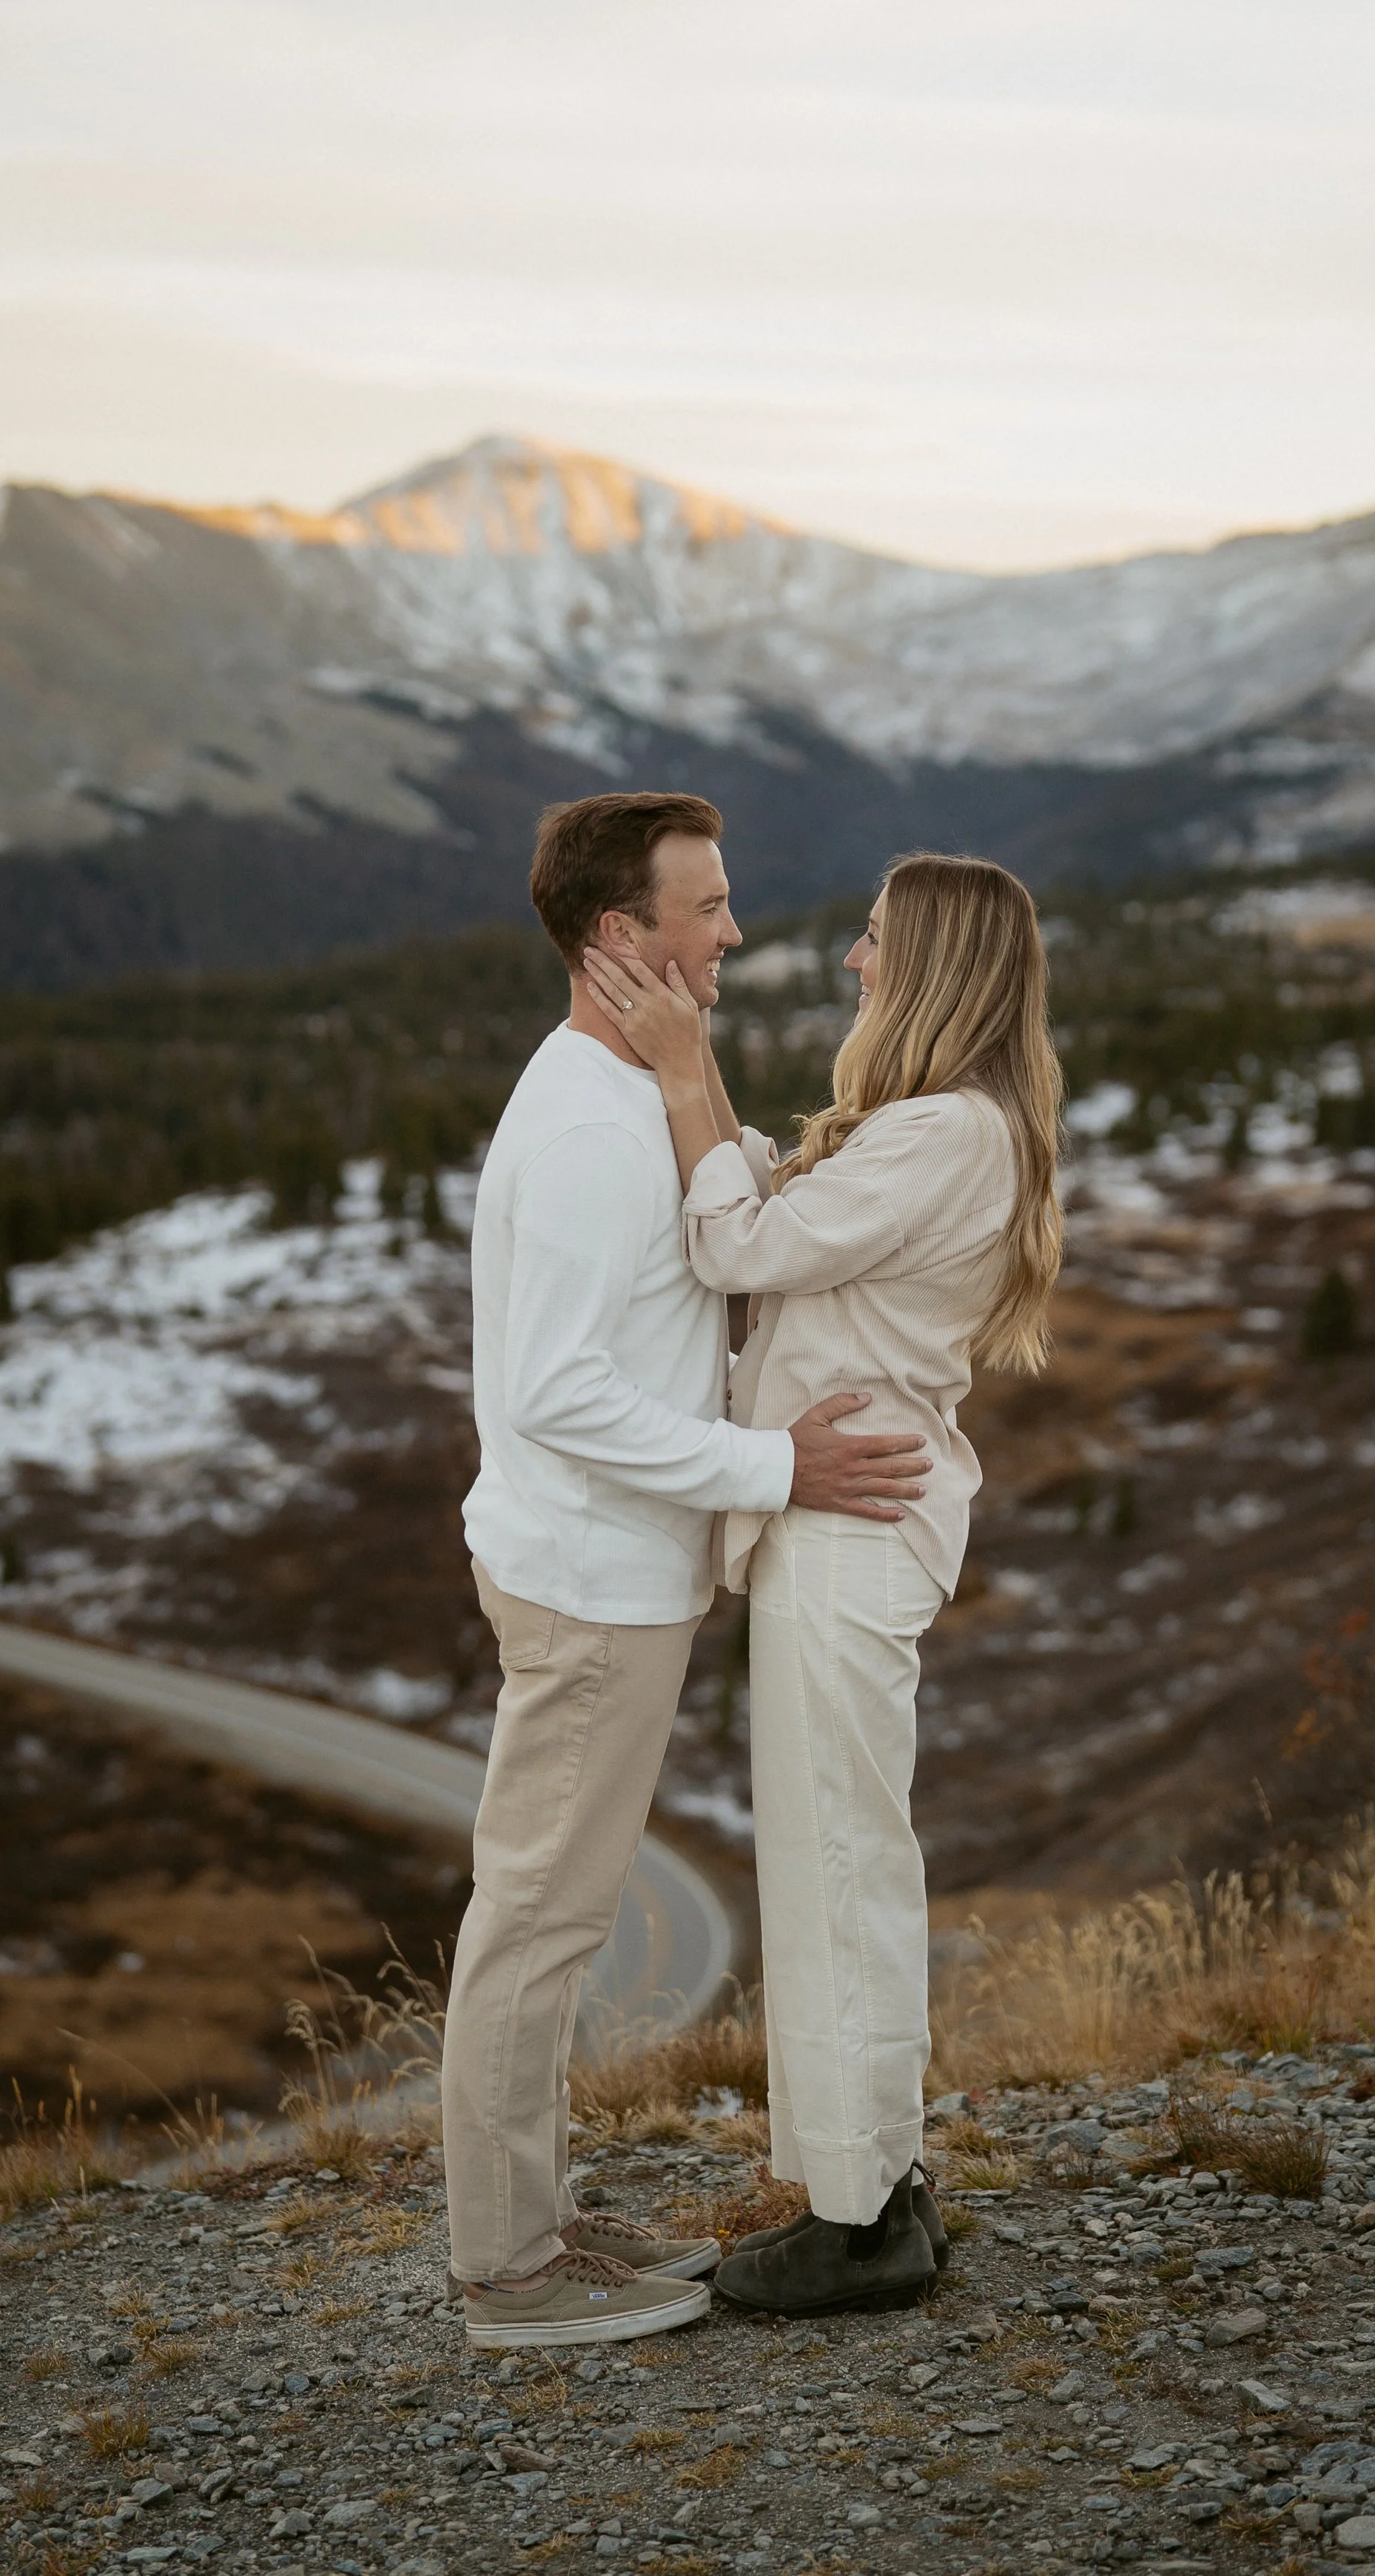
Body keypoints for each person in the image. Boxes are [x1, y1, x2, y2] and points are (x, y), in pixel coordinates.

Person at [441, 790, 934, 2350]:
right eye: (701, 907)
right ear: (617, 937)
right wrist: (778, 1469)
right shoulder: (590, 1126)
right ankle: (508, 2275)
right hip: (590, 1585)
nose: (729, 929)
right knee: (538, 1923)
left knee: (548, 1918)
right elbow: (560, 1394)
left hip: (602, 1571)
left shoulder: (614, 1087)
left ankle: (526, 2224)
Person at [580, 851, 1063, 2317]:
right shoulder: (940, 1128)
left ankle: (859, 2221)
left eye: (870, 942)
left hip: (852, 1531)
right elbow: (776, 1213)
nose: (851, 965)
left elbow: (736, 1240)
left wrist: (675, 1073)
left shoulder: (941, 1134)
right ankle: (881, 2186)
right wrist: (699, 1060)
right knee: (844, 1854)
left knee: (837, 1862)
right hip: (847, 1526)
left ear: (928, 966)